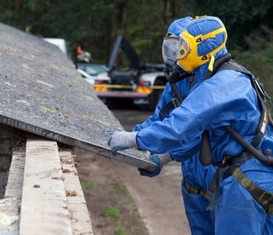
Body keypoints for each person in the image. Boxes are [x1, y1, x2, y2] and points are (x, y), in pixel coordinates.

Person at [108, 15, 273, 235]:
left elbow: (181, 126)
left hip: (245, 179)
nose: (178, 55)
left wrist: (135, 139)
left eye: (183, 48)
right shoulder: (224, 77)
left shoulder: (221, 84)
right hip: (248, 174)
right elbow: (167, 120)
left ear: (201, 47)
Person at [133, 16, 215, 235]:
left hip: (224, 182)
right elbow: (160, 119)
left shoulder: (216, 83)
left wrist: (165, 156)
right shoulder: (176, 83)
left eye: (180, 50)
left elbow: (202, 133)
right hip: (193, 183)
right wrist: (132, 138)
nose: (174, 57)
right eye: (170, 49)